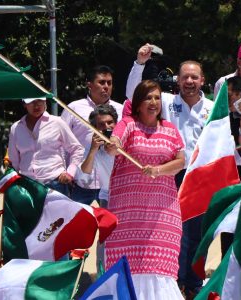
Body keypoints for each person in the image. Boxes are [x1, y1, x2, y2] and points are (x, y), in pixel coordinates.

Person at [126, 44, 213, 297]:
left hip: (200, 177)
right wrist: (140, 64)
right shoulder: (164, 101)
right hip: (168, 174)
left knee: (197, 234)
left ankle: (194, 284)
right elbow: (134, 95)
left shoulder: (213, 107)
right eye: (184, 76)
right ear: (177, 79)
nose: (188, 81)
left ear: (202, 80)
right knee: (170, 232)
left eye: (194, 77)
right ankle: (171, 283)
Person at [104, 80, 185, 299]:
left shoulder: (170, 129)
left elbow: (180, 161)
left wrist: (158, 170)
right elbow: (114, 144)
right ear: (138, 103)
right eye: (148, 98)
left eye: (157, 97)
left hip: (163, 214)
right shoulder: (128, 124)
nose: (153, 102)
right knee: (128, 268)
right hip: (127, 215)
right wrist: (113, 145)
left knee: (159, 268)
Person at [61, 65, 123, 205]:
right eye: (101, 82)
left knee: (111, 226)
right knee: (79, 226)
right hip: (80, 183)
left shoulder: (121, 110)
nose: (106, 86)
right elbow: (61, 143)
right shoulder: (74, 108)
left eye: (109, 83)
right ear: (89, 84)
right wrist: (66, 173)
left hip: (111, 184)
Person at [8, 97, 84, 196]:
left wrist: (70, 173)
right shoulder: (16, 128)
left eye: (39, 101)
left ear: (45, 102)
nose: (36, 105)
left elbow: (77, 148)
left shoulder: (57, 122)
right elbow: (14, 160)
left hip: (55, 183)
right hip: (27, 185)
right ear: (24, 104)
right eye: (31, 102)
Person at [77, 104, 118, 275]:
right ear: (94, 128)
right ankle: (102, 277)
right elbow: (83, 177)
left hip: (128, 198)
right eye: (101, 125)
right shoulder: (92, 148)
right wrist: (94, 150)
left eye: (110, 123)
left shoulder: (125, 142)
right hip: (107, 198)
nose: (107, 127)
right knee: (105, 243)